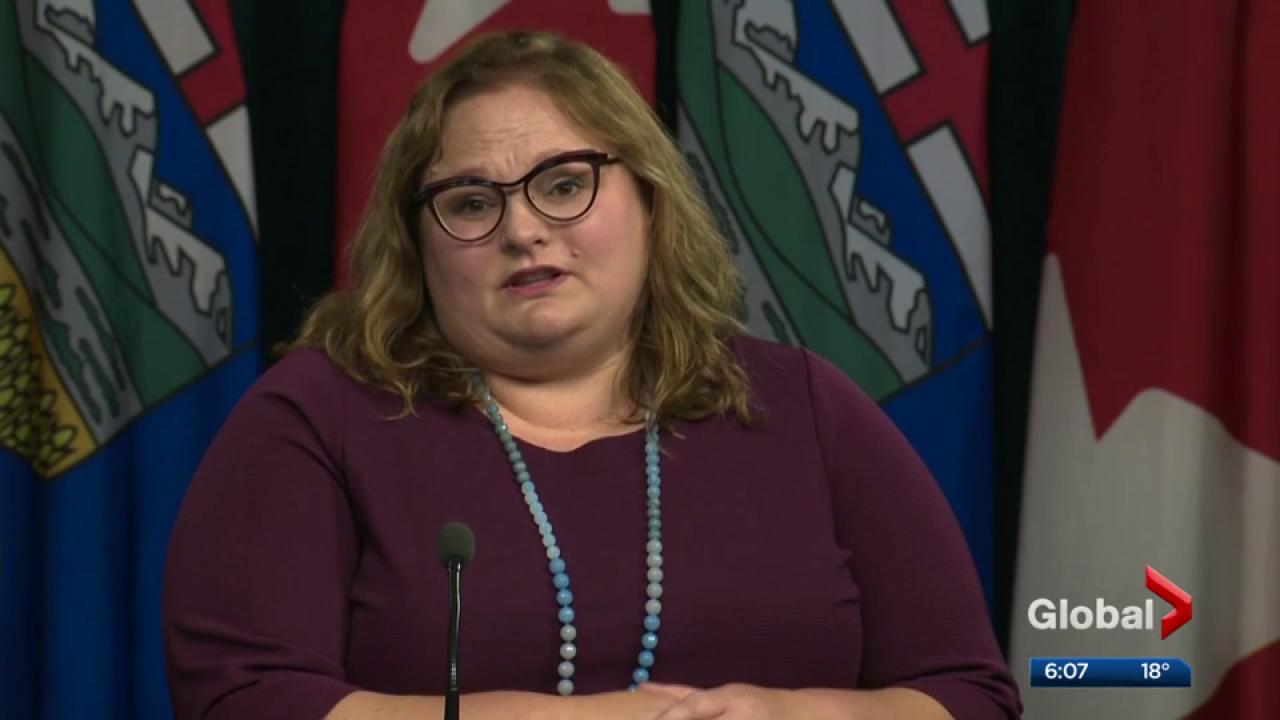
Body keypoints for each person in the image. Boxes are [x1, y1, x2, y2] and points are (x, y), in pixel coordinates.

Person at [163, 30, 1020, 720]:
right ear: (416, 245)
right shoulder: (320, 416)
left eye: (565, 184)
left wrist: (790, 713)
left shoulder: (801, 404)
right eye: (471, 202)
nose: (523, 230)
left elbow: (969, 695)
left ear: (650, 199)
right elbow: (244, 698)